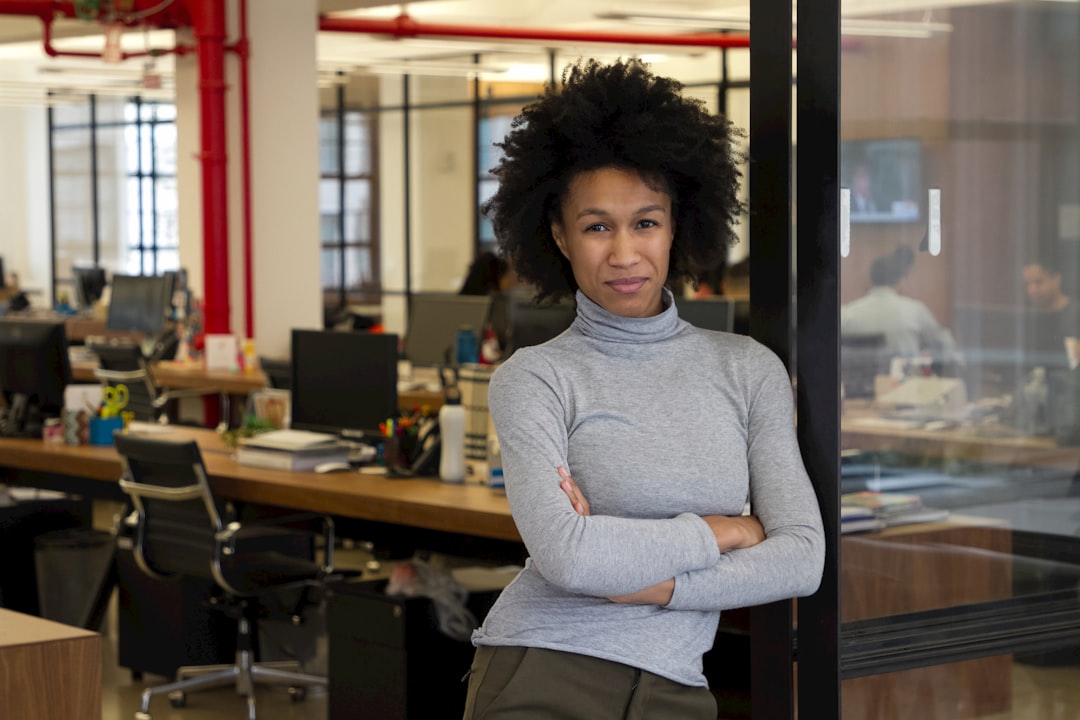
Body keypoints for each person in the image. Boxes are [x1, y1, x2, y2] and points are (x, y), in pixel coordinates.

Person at [463, 58, 825, 719]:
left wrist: (660, 585)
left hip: (677, 689)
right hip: (542, 670)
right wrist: (730, 529)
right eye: (597, 226)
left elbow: (802, 558)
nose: (625, 254)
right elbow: (569, 559)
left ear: (677, 226)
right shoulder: (535, 378)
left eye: (646, 223)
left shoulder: (748, 371)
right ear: (559, 236)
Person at [841, 245, 964, 368]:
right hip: (904, 385)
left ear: (871, 281)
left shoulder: (847, 314)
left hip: (856, 386)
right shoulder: (915, 311)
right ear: (901, 281)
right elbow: (945, 344)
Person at [1021, 256, 1080, 372]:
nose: (1031, 290)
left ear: (1056, 280)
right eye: (1027, 284)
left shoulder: (1076, 311)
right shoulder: (1027, 317)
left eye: (1038, 282)